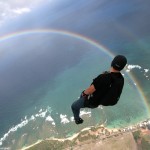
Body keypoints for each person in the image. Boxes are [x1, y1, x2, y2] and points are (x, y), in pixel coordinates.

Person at [71, 55, 127, 124]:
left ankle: (77, 120)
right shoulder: (121, 78)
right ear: (122, 67)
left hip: (93, 102)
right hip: (104, 99)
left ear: (112, 63)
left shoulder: (103, 77)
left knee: (74, 106)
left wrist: (83, 94)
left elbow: (89, 91)